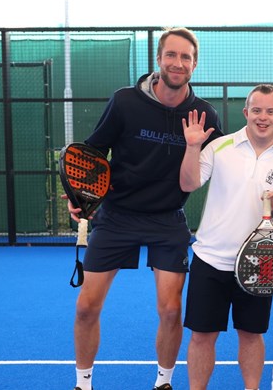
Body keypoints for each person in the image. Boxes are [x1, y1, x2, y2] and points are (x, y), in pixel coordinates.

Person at [67, 27, 223, 390]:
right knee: (86, 307)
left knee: (171, 310)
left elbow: (229, 159)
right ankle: (83, 383)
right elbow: (92, 154)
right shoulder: (124, 102)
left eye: (186, 57)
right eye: (172, 55)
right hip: (116, 215)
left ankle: (163, 383)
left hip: (167, 219)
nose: (178, 63)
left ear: (194, 64)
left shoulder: (204, 115)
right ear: (158, 59)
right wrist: (81, 196)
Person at [179, 84, 273, 390]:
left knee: (251, 334)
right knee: (201, 336)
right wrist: (192, 146)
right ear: (246, 113)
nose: (263, 117)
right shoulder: (219, 147)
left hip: (258, 265)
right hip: (209, 259)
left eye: (270, 111)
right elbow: (188, 183)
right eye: (257, 110)